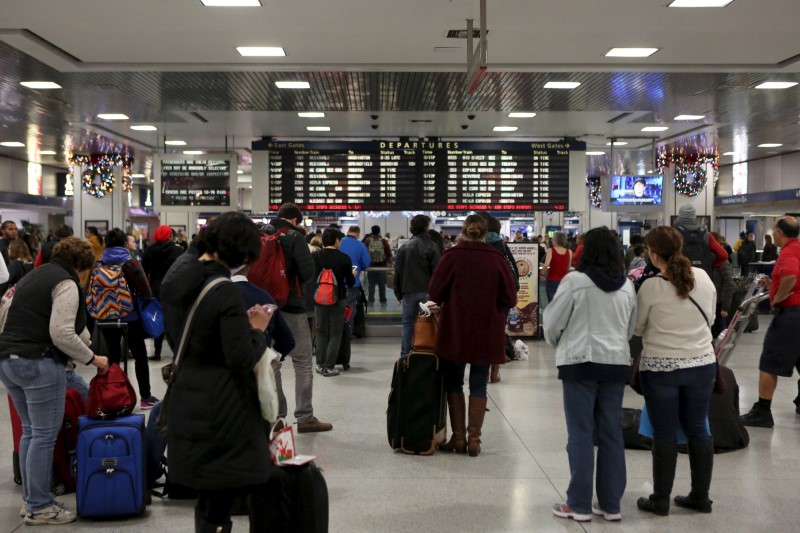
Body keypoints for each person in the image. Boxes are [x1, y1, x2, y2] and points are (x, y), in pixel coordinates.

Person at [159, 212, 291, 532]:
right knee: (220, 498)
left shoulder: (180, 283)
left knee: (208, 493)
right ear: (242, 254)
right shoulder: (224, 290)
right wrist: (258, 329)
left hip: (189, 393)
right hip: (222, 405)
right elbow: (241, 356)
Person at [0, 237, 109, 525]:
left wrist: (89, 348)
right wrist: (92, 359)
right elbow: (61, 331)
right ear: (81, 266)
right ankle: (39, 505)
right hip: (38, 360)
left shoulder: (36, 275)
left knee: (31, 431)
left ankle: (30, 501)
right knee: (45, 435)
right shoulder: (67, 282)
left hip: (7, 360)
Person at [544, 227, 637, 523]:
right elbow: (630, 328)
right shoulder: (626, 286)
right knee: (611, 433)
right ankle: (611, 505)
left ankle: (579, 504)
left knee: (581, 434)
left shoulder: (575, 281)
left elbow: (553, 323)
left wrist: (563, 346)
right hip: (616, 364)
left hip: (580, 363)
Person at [635, 226, 717, 516]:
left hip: (661, 369)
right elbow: (711, 317)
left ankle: (660, 500)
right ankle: (701, 497)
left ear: (653, 254)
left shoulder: (651, 286)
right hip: (702, 365)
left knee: (665, 433)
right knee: (698, 428)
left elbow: (638, 327)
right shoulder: (704, 278)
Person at [429, 215, 517, 457]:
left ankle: (457, 439)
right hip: (486, 331)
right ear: (486, 232)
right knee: (479, 384)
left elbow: (434, 292)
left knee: (454, 382)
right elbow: (510, 298)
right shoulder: (497, 258)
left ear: (464, 231)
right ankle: (474, 441)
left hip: (455, 330)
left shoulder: (451, 256)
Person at [266, 203, 332, 433]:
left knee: (272, 359)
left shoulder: (261, 233)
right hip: (291, 305)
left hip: (263, 306)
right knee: (302, 359)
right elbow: (307, 273)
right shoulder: (294, 237)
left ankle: (276, 415)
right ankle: (304, 417)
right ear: (294, 220)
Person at [740, 217, 800, 427]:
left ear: (781, 233)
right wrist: (773, 284)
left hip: (791, 314)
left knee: (769, 362)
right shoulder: (798, 248)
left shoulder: (789, 252)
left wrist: (777, 298)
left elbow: (791, 276)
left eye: (774, 230)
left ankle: (762, 411)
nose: (773, 234)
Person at [95, 228, 158, 408]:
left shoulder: (99, 264)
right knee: (140, 355)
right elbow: (147, 292)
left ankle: (113, 396)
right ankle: (145, 397)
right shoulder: (131, 263)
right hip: (130, 317)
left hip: (106, 317)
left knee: (112, 357)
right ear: (124, 244)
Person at [479, 212, 519, 384]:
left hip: (483, 297)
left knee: (481, 333)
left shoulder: (478, 247)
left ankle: (482, 369)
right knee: (497, 332)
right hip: (502, 298)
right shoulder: (501, 246)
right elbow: (515, 273)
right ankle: (495, 370)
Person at [394, 215, 441, 358]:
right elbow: (437, 272)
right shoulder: (432, 246)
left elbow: (398, 271)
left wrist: (398, 293)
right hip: (427, 291)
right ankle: (426, 351)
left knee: (408, 323)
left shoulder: (404, 247)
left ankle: (405, 354)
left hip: (408, 291)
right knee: (428, 321)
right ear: (426, 227)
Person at [312, 228, 355, 376]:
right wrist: (353, 274)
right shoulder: (344, 258)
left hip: (319, 299)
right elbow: (350, 282)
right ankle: (329, 367)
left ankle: (320, 364)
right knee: (335, 333)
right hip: (338, 299)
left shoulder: (314, 256)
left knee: (320, 331)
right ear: (336, 240)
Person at [141, 224, 184, 361]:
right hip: (173, 289)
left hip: (155, 289)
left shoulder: (149, 250)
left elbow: (143, 272)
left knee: (157, 319)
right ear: (169, 235)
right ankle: (177, 352)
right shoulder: (178, 251)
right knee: (174, 320)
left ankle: (157, 352)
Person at [674, 204, 728, 274]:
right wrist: (712, 265)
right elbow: (723, 255)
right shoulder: (706, 234)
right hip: (702, 274)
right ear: (694, 217)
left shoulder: (674, 234)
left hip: (680, 275)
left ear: (679, 217)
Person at [339, 225, 371, 333]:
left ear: (348, 232)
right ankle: (348, 332)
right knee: (350, 307)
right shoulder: (360, 245)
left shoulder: (339, 242)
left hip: (336, 282)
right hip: (353, 283)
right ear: (357, 233)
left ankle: (337, 331)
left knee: (337, 307)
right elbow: (365, 263)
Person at [710, 232, 735, 339]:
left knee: (717, 338)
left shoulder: (722, 262)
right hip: (711, 304)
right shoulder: (709, 261)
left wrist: (725, 307)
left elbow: (729, 283)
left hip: (719, 306)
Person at [363, 225, 393, 306]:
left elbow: (364, 252)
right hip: (382, 266)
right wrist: (390, 263)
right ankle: (383, 301)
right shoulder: (383, 241)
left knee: (371, 284)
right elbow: (388, 253)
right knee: (382, 284)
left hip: (371, 266)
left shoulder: (368, 241)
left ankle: (370, 301)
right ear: (379, 231)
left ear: (372, 231)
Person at [541, 231, 572, 302]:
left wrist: (542, 274)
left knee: (552, 303)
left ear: (555, 240)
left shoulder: (551, 250)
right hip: (564, 280)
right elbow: (568, 267)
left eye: (552, 239)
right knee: (562, 303)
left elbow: (546, 265)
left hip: (552, 280)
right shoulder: (569, 252)